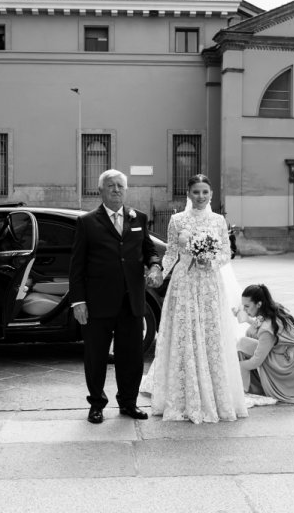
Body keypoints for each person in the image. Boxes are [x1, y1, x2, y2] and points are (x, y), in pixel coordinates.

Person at [141, 174, 248, 423]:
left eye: (205, 192)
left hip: (209, 283)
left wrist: (209, 260)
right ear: (188, 194)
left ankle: (213, 395)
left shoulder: (219, 220)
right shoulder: (178, 220)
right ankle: (183, 396)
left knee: (210, 335)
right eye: (196, 192)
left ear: (211, 195)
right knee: (185, 334)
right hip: (184, 283)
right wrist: (158, 273)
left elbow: (226, 252)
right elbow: (171, 252)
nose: (200, 196)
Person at [69, 169, 163, 424]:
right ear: (100, 191)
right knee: (96, 356)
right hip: (98, 302)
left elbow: (149, 250)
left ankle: (128, 403)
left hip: (132, 301)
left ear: (126, 189)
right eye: (110, 186)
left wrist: (155, 265)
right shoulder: (87, 222)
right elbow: (76, 266)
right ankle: (97, 404)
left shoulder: (138, 219)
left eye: (120, 186)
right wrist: (78, 301)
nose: (116, 190)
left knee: (131, 356)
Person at [236, 284, 294, 404]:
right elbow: (259, 328)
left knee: (241, 353)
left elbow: (256, 361)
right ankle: (249, 385)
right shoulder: (274, 311)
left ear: (259, 304)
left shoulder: (266, 329)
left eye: (247, 306)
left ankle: (248, 388)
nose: (245, 310)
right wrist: (247, 319)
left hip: (289, 369)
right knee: (243, 342)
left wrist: (238, 366)